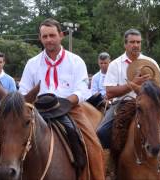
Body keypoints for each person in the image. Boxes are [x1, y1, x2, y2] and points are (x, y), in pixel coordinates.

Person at [18, 18, 105, 180]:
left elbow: (82, 90)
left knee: (93, 145)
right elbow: (23, 90)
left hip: (70, 108)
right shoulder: (32, 63)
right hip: (38, 110)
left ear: (61, 36)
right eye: (45, 37)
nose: (49, 40)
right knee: (11, 137)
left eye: (52, 35)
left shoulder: (75, 61)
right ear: (40, 38)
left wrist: (65, 102)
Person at [96, 28, 160, 176]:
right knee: (102, 132)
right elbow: (109, 92)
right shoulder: (116, 64)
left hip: (150, 103)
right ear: (125, 44)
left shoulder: (150, 62)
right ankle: (108, 171)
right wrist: (133, 83)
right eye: (132, 42)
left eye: (138, 42)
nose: (135, 45)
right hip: (123, 103)